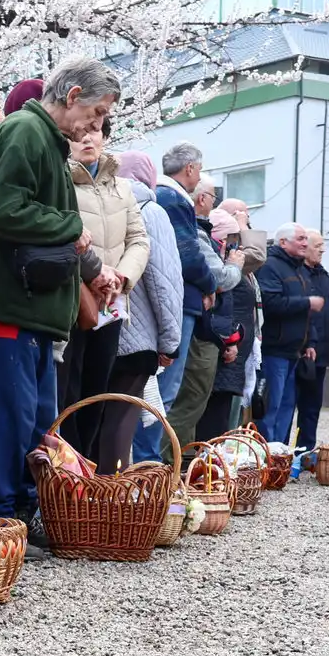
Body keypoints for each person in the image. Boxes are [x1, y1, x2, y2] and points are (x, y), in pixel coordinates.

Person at [0, 57, 119, 539]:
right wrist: (74, 227)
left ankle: (26, 511)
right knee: (14, 418)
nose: (97, 124)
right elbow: (0, 211)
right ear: (71, 96)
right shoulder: (26, 132)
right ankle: (1, 515)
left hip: (34, 307)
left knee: (37, 423)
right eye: (95, 112)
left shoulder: (44, 140)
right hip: (14, 303)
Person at [61, 117, 147, 461]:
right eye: (78, 133)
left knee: (98, 389)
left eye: (93, 132)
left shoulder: (121, 186)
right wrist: (95, 274)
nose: (86, 139)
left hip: (111, 302)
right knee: (68, 389)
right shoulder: (60, 181)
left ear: (105, 137)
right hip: (72, 296)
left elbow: (139, 239)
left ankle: (89, 476)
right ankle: (66, 475)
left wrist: (121, 278)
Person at [133, 141, 216, 462]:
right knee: (162, 393)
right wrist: (210, 285)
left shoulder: (162, 197)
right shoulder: (173, 200)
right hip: (176, 305)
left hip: (173, 303)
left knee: (159, 391)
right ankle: (149, 464)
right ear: (191, 169)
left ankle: (148, 461)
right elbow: (187, 254)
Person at [99, 152, 181, 473]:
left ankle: (84, 495)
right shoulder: (151, 211)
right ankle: (112, 498)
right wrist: (170, 342)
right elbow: (166, 284)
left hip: (101, 326)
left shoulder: (106, 204)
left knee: (95, 417)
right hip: (138, 338)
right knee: (121, 421)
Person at [161, 195, 248, 464]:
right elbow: (223, 281)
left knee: (194, 401)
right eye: (230, 237)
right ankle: (167, 462)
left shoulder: (213, 247)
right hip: (202, 333)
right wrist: (231, 267)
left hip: (211, 334)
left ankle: (178, 460)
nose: (233, 245)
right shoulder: (207, 247)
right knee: (189, 399)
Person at [196, 209, 261, 439]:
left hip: (231, 347)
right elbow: (224, 304)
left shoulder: (230, 265)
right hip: (222, 346)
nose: (235, 247)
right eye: (231, 240)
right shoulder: (223, 266)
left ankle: (214, 461)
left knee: (224, 415)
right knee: (212, 414)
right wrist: (230, 339)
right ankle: (203, 464)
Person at [254, 223, 322, 444]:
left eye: (306, 239)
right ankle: (266, 457)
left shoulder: (299, 269)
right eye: (300, 239)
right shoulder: (270, 266)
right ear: (283, 242)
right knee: (270, 408)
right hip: (274, 350)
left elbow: (307, 315)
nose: (305, 243)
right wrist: (306, 302)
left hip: (294, 352)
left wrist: (310, 341)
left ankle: (280, 456)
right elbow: (271, 303)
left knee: (286, 409)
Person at [295, 229, 329, 448]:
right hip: (299, 347)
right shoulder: (299, 273)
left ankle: (305, 448)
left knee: (312, 405)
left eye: (323, 245)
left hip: (321, 350)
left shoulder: (323, 274)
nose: (322, 250)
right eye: (317, 245)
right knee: (287, 403)